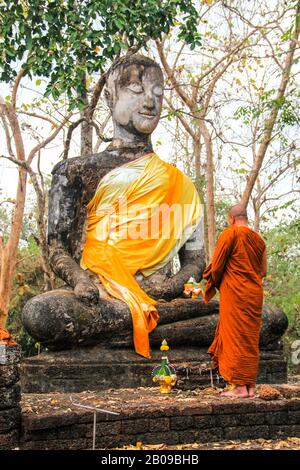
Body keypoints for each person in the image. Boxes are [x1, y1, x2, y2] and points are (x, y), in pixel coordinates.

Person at [203, 204, 267, 398]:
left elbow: (216, 267)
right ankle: (249, 387)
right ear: (245, 217)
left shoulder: (229, 234)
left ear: (231, 218)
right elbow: (263, 271)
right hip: (254, 294)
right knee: (249, 339)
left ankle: (239, 387)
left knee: (236, 337)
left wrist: (219, 281)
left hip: (235, 293)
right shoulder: (259, 240)